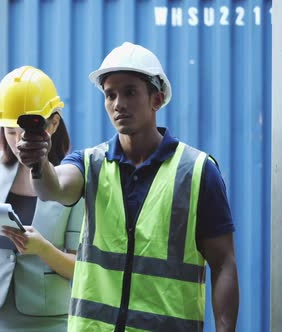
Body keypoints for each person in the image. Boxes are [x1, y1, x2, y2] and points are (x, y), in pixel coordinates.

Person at [17, 42, 239, 332]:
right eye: (110, 95)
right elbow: (53, 188)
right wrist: (39, 162)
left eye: (130, 92)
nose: (118, 103)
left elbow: (224, 264)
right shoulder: (89, 163)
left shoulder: (197, 171)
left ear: (157, 99)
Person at [0, 65, 84, 332]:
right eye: (9, 132)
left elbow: (79, 269)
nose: (17, 141)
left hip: (48, 319)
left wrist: (43, 248)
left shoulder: (72, 180)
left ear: (53, 123)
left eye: (24, 132)